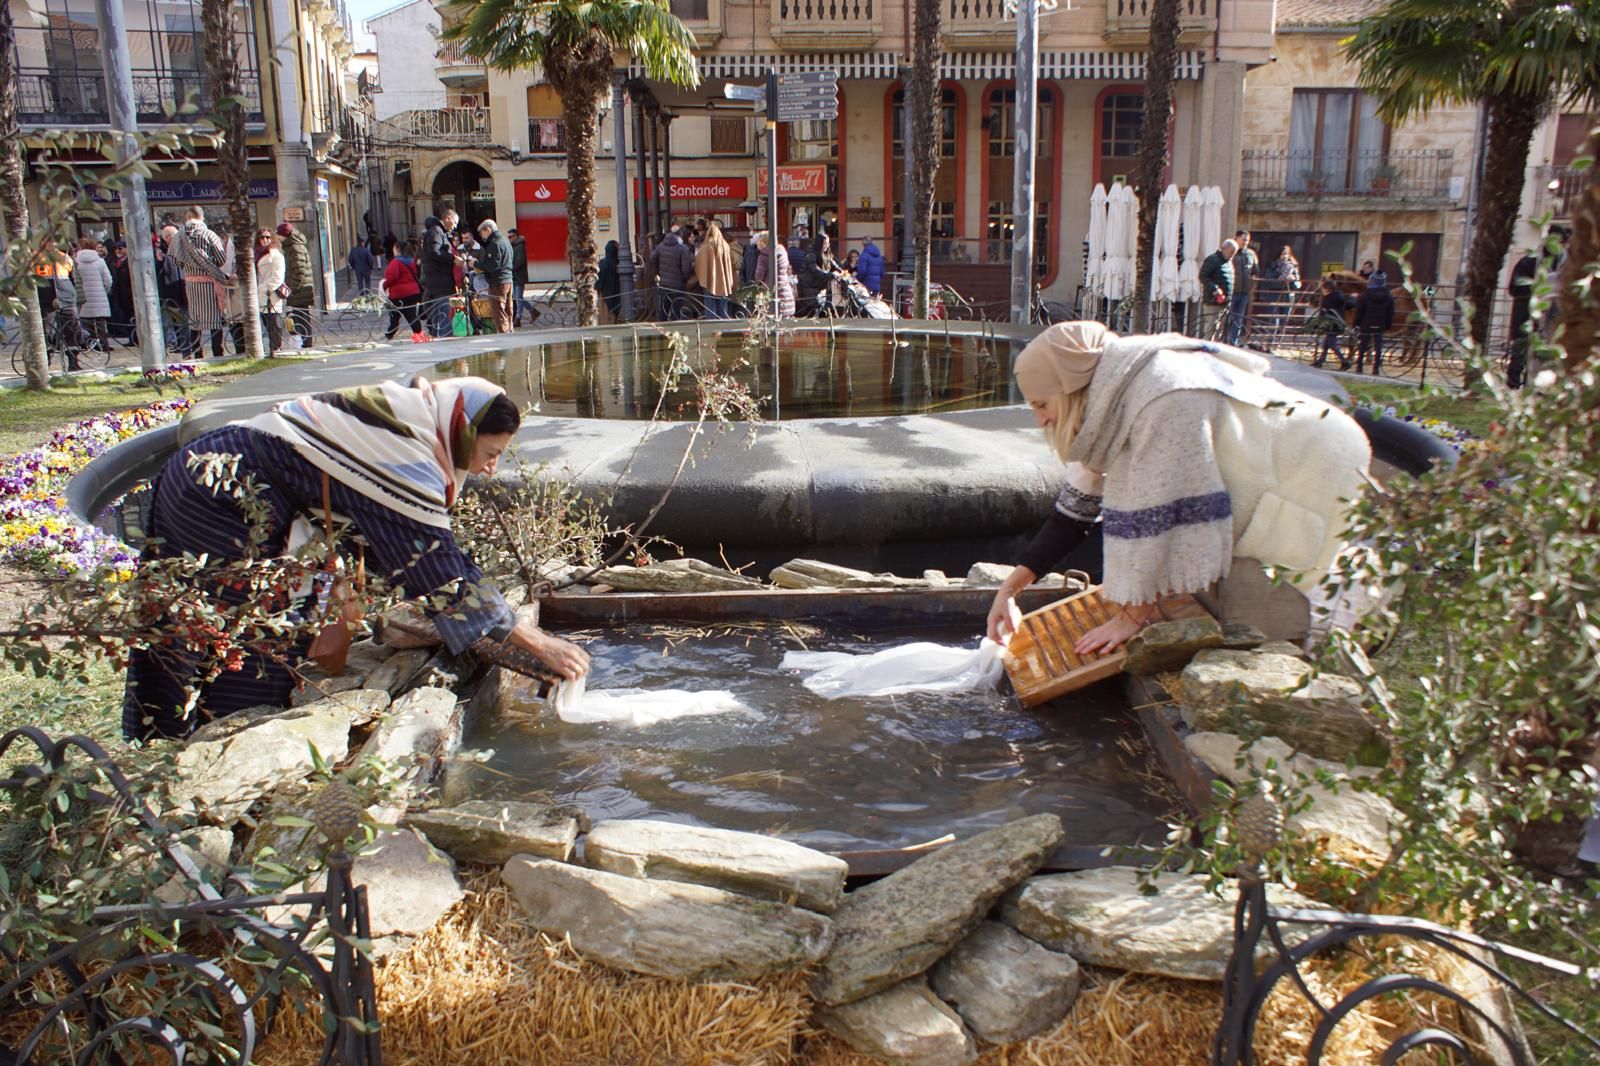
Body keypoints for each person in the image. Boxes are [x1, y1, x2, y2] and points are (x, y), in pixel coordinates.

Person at [120, 376, 591, 741]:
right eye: (490, 453)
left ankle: (182, 724)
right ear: (462, 430)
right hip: (221, 495)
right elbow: (436, 564)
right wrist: (533, 641)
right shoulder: (405, 451)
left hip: (223, 478)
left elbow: (411, 550)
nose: (491, 468)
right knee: (243, 621)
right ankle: (216, 737)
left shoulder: (412, 423)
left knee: (237, 619)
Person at [984, 322, 1370, 653]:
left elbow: (1159, 513)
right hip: (1286, 454)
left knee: (1281, 583)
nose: (1040, 420)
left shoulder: (1161, 395)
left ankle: (1329, 636)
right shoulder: (1112, 397)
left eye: (1041, 404)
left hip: (1316, 461)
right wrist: (1010, 591)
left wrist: (1133, 617)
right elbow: (1074, 512)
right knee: (1224, 593)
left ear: (1069, 390)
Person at [173, 207, 230, 359]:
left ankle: (197, 352)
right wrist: (210, 266)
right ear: (202, 217)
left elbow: (174, 258)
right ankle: (217, 352)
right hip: (209, 280)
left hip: (191, 282)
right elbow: (220, 257)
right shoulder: (209, 234)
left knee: (195, 320)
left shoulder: (179, 236)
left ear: (188, 217)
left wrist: (188, 267)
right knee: (214, 319)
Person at [421, 207, 460, 337]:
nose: (454, 227)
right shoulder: (436, 231)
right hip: (439, 284)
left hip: (439, 283)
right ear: (447, 218)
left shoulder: (438, 232)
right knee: (443, 321)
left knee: (441, 320)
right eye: (454, 223)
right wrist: (453, 259)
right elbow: (435, 252)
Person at [74, 236, 114, 355]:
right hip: (99, 294)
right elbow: (108, 279)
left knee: (87, 321)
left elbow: (75, 280)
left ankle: (91, 343)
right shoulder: (100, 261)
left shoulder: (76, 262)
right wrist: (104, 291)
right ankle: (103, 343)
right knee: (101, 322)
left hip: (84, 296)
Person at [278, 221, 316, 349]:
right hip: (298, 289)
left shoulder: (295, 248)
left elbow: (299, 271)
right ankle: (305, 342)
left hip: (300, 290)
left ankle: (306, 343)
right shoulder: (291, 246)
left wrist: (291, 289)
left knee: (301, 317)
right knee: (299, 317)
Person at [1506, 251, 1539, 389]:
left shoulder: (1562, 260)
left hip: (1544, 317)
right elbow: (1515, 288)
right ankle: (1513, 385)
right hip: (1524, 315)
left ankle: (1530, 386)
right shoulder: (1529, 261)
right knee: (1519, 353)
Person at [476, 218, 515, 333]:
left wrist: (477, 264)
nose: (482, 236)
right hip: (508, 279)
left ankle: (504, 337)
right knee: (508, 309)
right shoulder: (505, 241)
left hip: (498, 281)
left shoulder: (494, 243)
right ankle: (510, 332)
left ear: (487, 230)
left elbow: (492, 266)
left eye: (482, 232)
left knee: (498, 309)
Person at [1351, 271, 1394, 375]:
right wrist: (1388, 325)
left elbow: (1359, 312)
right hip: (1380, 323)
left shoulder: (1364, 296)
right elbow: (1390, 312)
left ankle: (1359, 367)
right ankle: (1376, 369)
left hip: (1366, 323)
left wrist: (1356, 324)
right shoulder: (1388, 296)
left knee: (1363, 345)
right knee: (1378, 346)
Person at [156, 226, 190, 357]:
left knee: (184, 326)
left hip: (182, 293)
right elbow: (156, 270)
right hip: (167, 295)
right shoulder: (160, 252)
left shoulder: (182, 250)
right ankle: (162, 356)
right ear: (167, 238)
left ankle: (187, 353)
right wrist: (159, 261)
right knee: (165, 326)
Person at [649, 226, 696, 321]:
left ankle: (661, 331)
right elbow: (686, 269)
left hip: (664, 284)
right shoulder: (683, 248)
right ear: (681, 235)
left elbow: (652, 258)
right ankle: (674, 332)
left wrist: (658, 272)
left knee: (663, 310)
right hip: (678, 285)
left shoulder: (661, 246)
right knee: (676, 310)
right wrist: (684, 279)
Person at [383, 239, 425, 341]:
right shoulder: (411, 261)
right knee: (408, 314)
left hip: (400, 294)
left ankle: (417, 334)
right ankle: (391, 333)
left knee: (400, 314)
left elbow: (392, 277)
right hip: (413, 292)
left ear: (397, 249)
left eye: (393, 248)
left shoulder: (396, 262)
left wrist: (384, 285)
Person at [694, 221, 737, 319]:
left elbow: (699, 263)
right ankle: (724, 327)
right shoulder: (725, 246)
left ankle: (712, 327)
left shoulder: (704, 247)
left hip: (708, 281)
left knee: (710, 305)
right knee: (723, 305)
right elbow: (731, 263)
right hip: (723, 281)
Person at [1307, 276, 1350, 370]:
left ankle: (1344, 362)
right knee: (1326, 344)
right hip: (1335, 322)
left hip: (1332, 323)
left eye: (1323, 288)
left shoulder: (1329, 298)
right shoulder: (1337, 296)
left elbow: (1324, 310)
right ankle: (1320, 361)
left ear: (1327, 289)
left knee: (1332, 345)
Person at [256, 228, 286, 354]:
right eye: (262, 237)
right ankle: (272, 348)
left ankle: (276, 347)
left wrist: (264, 288)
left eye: (268, 237)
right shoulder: (257, 253)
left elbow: (278, 277)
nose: (265, 240)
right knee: (266, 322)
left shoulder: (276, 255)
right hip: (260, 294)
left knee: (274, 321)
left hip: (271, 294)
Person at [1199, 239, 1236, 339]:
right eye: (1231, 252)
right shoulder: (1212, 260)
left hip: (1224, 302)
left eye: (1234, 253)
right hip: (1213, 300)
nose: (1232, 255)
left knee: (1219, 329)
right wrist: (1215, 289)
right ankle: (1205, 351)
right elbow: (1203, 276)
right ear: (1224, 249)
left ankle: (1214, 351)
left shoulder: (1228, 262)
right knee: (1211, 328)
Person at [753, 232, 796, 317]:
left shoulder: (763, 255)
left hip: (770, 293)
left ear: (763, 242)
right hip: (785, 291)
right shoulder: (783, 251)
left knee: (770, 323)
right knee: (784, 323)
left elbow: (759, 277)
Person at [1226, 229, 1256, 345]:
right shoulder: (1230, 252)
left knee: (1238, 319)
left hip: (1244, 292)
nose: (1245, 242)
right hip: (1232, 291)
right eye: (1243, 240)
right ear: (1237, 238)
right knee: (1228, 317)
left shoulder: (1250, 254)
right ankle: (1224, 340)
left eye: (1247, 240)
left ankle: (1233, 342)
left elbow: (1254, 270)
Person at [797, 233, 839, 317]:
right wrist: (832, 274)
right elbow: (816, 271)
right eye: (824, 243)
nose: (826, 246)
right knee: (813, 312)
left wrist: (841, 272)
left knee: (826, 308)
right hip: (809, 288)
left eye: (828, 243)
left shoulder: (827, 253)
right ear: (819, 243)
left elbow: (835, 265)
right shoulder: (811, 254)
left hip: (819, 288)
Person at [109, 241, 135, 345]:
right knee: (126, 318)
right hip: (120, 296)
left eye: (120, 248)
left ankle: (135, 339)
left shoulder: (130, 262)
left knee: (132, 318)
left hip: (129, 296)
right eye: (116, 249)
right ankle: (131, 339)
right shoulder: (115, 262)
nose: (117, 251)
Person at [509, 228, 530, 327]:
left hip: (519, 276)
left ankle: (518, 318)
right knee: (517, 297)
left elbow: (520, 261)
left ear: (516, 236)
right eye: (508, 237)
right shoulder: (513, 246)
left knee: (518, 298)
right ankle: (533, 311)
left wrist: (511, 268)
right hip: (515, 276)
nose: (510, 239)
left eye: (511, 236)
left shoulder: (520, 246)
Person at [598, 240, 623, 322]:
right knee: (612, 317)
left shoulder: (601, 263)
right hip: (614, 295)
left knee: (604, 315)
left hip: (603, 294)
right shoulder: (617, 264)